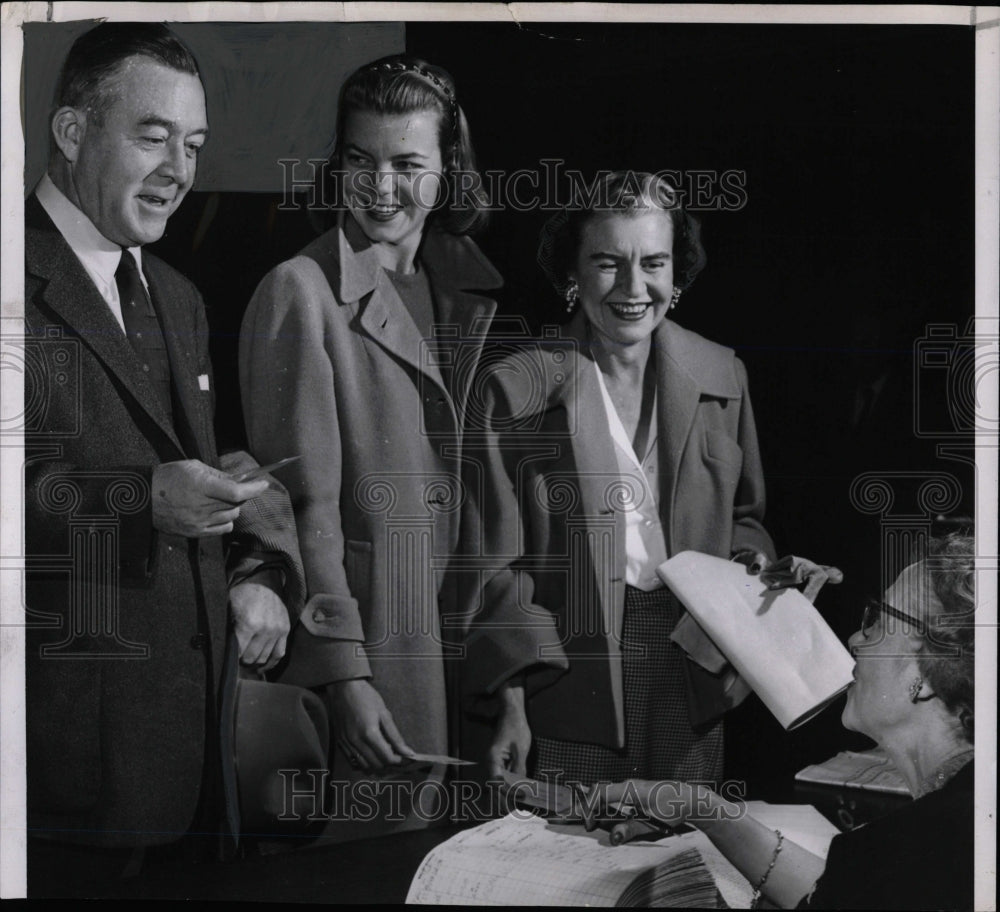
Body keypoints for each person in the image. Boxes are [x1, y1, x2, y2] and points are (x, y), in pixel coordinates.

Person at [23, 23, 303, 890]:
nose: (180, 170)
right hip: (63, 790)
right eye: (152, 136)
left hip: (199, 779)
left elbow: (211, 469)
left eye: (194, 145)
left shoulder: (177, 295)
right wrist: (143, 502)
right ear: (73, 134)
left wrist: (258, 570)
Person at [461, 170, 841, 787]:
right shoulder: (515, 389)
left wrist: (758, 571)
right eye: (608, 263)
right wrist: (512, 703)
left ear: (677, 273)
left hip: (694, 668)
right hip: (565, 675)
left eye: (654, 263)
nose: (634, 288)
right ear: (571, 274)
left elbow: (747, 520)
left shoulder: (724, 375)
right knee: (574, 863)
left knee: (681, 864)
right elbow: (492, 567)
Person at [239, 55, 500, 836]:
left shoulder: (470, 293)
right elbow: (301, 510)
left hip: (462, 665)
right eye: (360, 161)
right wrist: (347, 677)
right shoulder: (300, 289)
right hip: (374, 665)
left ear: (449, 170)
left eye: (407, 164)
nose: (381, 188)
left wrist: (507, 682)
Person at [604, 532, 975, 911]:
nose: (854, 639)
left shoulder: (902, 846)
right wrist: (703, 809)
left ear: (928, 679)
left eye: (878, 621)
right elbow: (845, 888)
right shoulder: (951, 823)